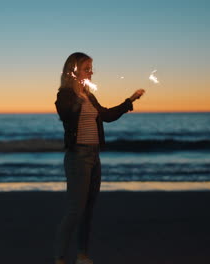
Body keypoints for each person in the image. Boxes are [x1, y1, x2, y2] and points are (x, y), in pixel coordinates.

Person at [53, 52, 145, 264]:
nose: (91, 72)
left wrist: (129, 100)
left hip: (94, 157)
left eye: (91, 68)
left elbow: (106, 116)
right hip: (78, 157)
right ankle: (59, 258)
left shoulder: (89, 96)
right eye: (87, 68)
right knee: (76, 210)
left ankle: (82, 256)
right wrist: (77, 95)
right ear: (74, 71)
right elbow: (65, 114)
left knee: (88, 210)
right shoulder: (65, 94)